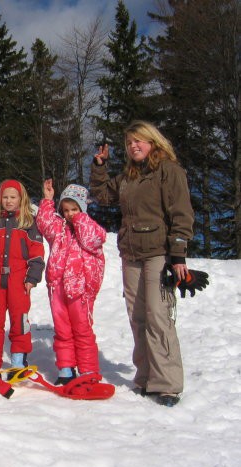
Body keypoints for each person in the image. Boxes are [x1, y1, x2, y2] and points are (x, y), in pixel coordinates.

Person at [90, 120, 194, 407]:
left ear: (153, 142)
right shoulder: (129, 176)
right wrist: (100, 166)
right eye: (129, 143)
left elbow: (181, 213)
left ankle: (167, 384)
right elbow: (102, 195)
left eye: (139, 141)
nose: (134, 146)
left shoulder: (169, 171)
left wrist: (178, 254)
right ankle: (146, 377)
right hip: (131, 253)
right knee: (138, 318)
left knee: (158, 316)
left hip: (158, 252)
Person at [36, 180, 106, 385]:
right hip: (58, 287)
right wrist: (48, 200)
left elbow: (90, 240)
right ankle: (66, 369)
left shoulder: (92, 229)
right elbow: (44, 221)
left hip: (81, 289)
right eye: (65, 210)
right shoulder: (59, 229)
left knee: (82, 330)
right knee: (63, 329)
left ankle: (88, 371)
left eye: (74, 209)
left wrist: (81, 219)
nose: (69, 214)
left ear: (83, 209)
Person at [0, 180, 45, 376]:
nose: (8, 201)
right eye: (5, 197)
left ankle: (18, 361)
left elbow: (37, 254)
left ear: (21, 199)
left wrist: (32, 277)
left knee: (19, 321)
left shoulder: (28, 223)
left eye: (12, 197)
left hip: (19, 280)